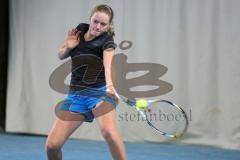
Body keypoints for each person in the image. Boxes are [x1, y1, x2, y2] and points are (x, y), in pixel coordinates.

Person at [45, 4, 127, 160]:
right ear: (90, 18)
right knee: (52, 146)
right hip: (76, 96)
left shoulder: (107, 41)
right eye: (95, 21)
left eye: (103, 24)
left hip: (100, 93)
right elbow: (61, 55)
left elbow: (108, 65)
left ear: (109, 26)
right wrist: (68, 47)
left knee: (109, 132)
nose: (98, 26)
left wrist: (110, 87)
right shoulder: (79, 31)